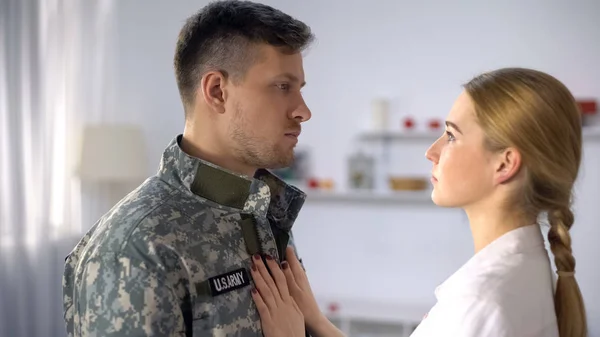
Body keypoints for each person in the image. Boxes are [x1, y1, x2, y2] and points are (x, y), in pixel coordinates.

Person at [249, 67, 588, 337]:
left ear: (504, 164)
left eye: (452, 136)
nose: (432, 151)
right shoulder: (525, 270)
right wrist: (318, 323)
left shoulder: (480, 307)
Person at [62, 1, 315, 336]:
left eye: (298, 89)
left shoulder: (263, 215)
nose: (303, 111)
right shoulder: (134, 249)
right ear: (217, 91)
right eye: (282, 86)